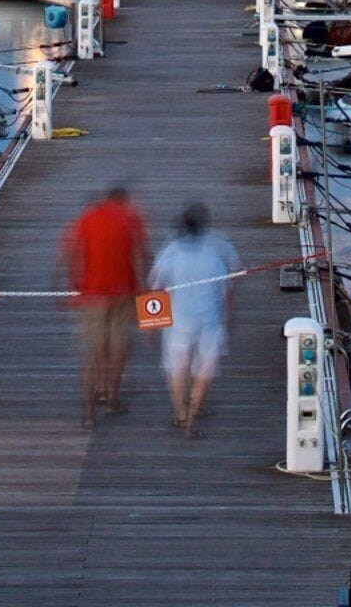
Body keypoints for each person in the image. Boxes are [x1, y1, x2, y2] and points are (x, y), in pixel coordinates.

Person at [62, 183, 148, 425]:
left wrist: (71, 284)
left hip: (92, 296)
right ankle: (112, 401)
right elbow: (142, 254)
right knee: (119, 350)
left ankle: (89, 412)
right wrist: (145, 288)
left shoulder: (85, 220)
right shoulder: (129, 219)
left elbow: (69, 254)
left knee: (92, 354)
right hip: (122, 294)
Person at [148, 205, 235, 436]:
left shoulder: (170, 256)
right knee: (204, 370)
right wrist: (229, 321)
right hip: (210, 321)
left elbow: (156, 291)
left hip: (179, 323)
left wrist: (152, 327)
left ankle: (181, 414)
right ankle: (195, 413)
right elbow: (227, 293)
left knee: (177, 370)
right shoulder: (214, 258)